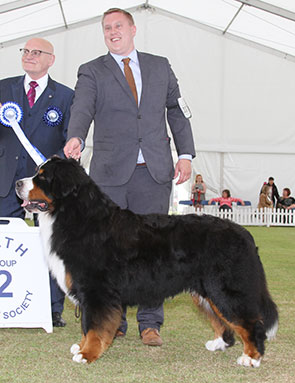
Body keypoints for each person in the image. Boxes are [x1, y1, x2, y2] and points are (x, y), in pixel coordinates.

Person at [64, 8, 195, 346]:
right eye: (106, 28)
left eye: (118, 26)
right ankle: (113, 320)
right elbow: (82, 106)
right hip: (109, 176)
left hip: (153, 172)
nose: (112, 31)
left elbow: (177, 111)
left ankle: (150, 323)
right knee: (108, 252)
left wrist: (185, 154)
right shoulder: (92, 70)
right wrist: (75, 135)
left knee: (152, 250)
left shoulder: (160, 66)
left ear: (133, 29)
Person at [0, 37, 74, 327]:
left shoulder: (67, 96)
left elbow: (71, 141)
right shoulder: (3, 88)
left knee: (52, 247)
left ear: (51, 59)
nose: (29, 56)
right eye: (25, 51)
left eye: (36, 52)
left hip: (45, 189)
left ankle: (53, 309)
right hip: (6, 182)